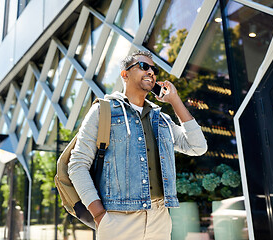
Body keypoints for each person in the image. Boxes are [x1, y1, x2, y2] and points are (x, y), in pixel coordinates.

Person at [68, 50, 207, 239]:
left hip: (160, 219)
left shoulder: (161, 119)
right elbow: (77, 165)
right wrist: (100, 215)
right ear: (125, 74)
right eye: (143, 66)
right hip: (118, 219)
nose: (151, 72)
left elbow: (198, 147)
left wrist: (174, 101)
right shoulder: (103, 111)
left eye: (154, 69)